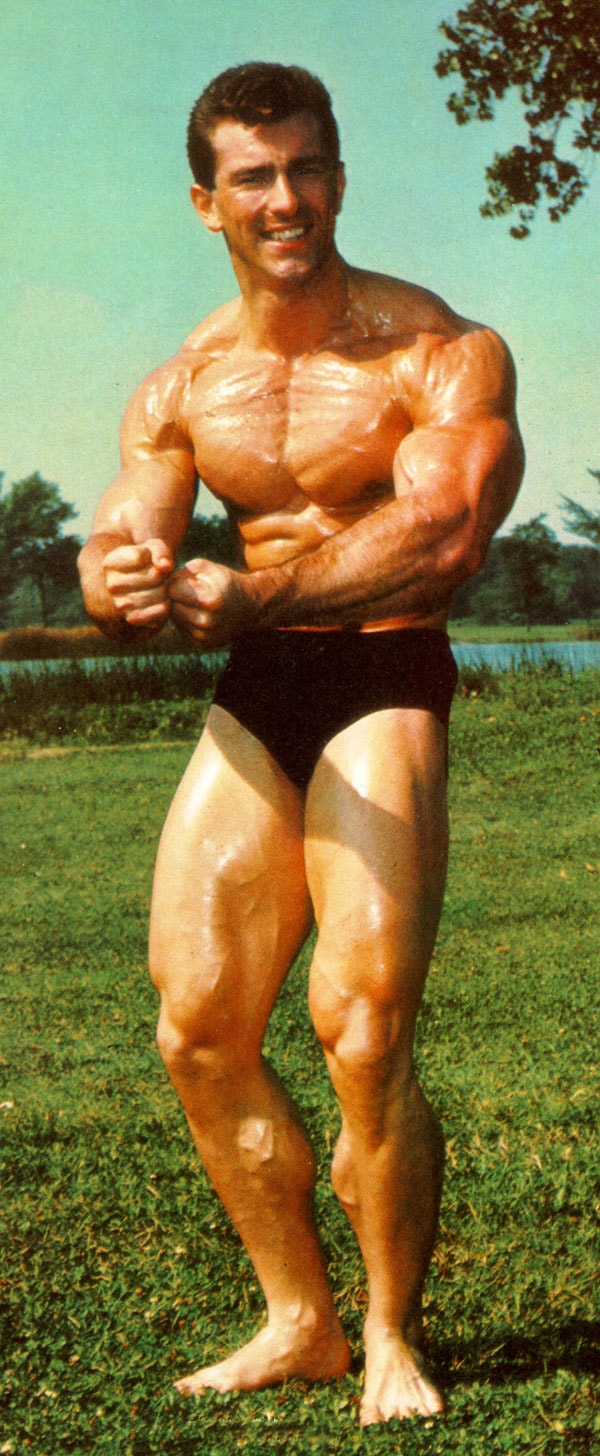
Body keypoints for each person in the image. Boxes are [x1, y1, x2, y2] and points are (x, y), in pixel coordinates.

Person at [78, 62, 524, 1425]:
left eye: (309, 167)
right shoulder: (182, 385)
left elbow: (442, 532)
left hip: (386, 672)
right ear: (205, 200)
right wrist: (126, 579)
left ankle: (391, 1335)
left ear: (339, 175)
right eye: (256, 177)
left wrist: (260, 588)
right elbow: (127, 536)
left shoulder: (441, 348)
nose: (288, 198)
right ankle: (299, 1321)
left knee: (364, 1025)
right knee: (199, 1025)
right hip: (257, 687)